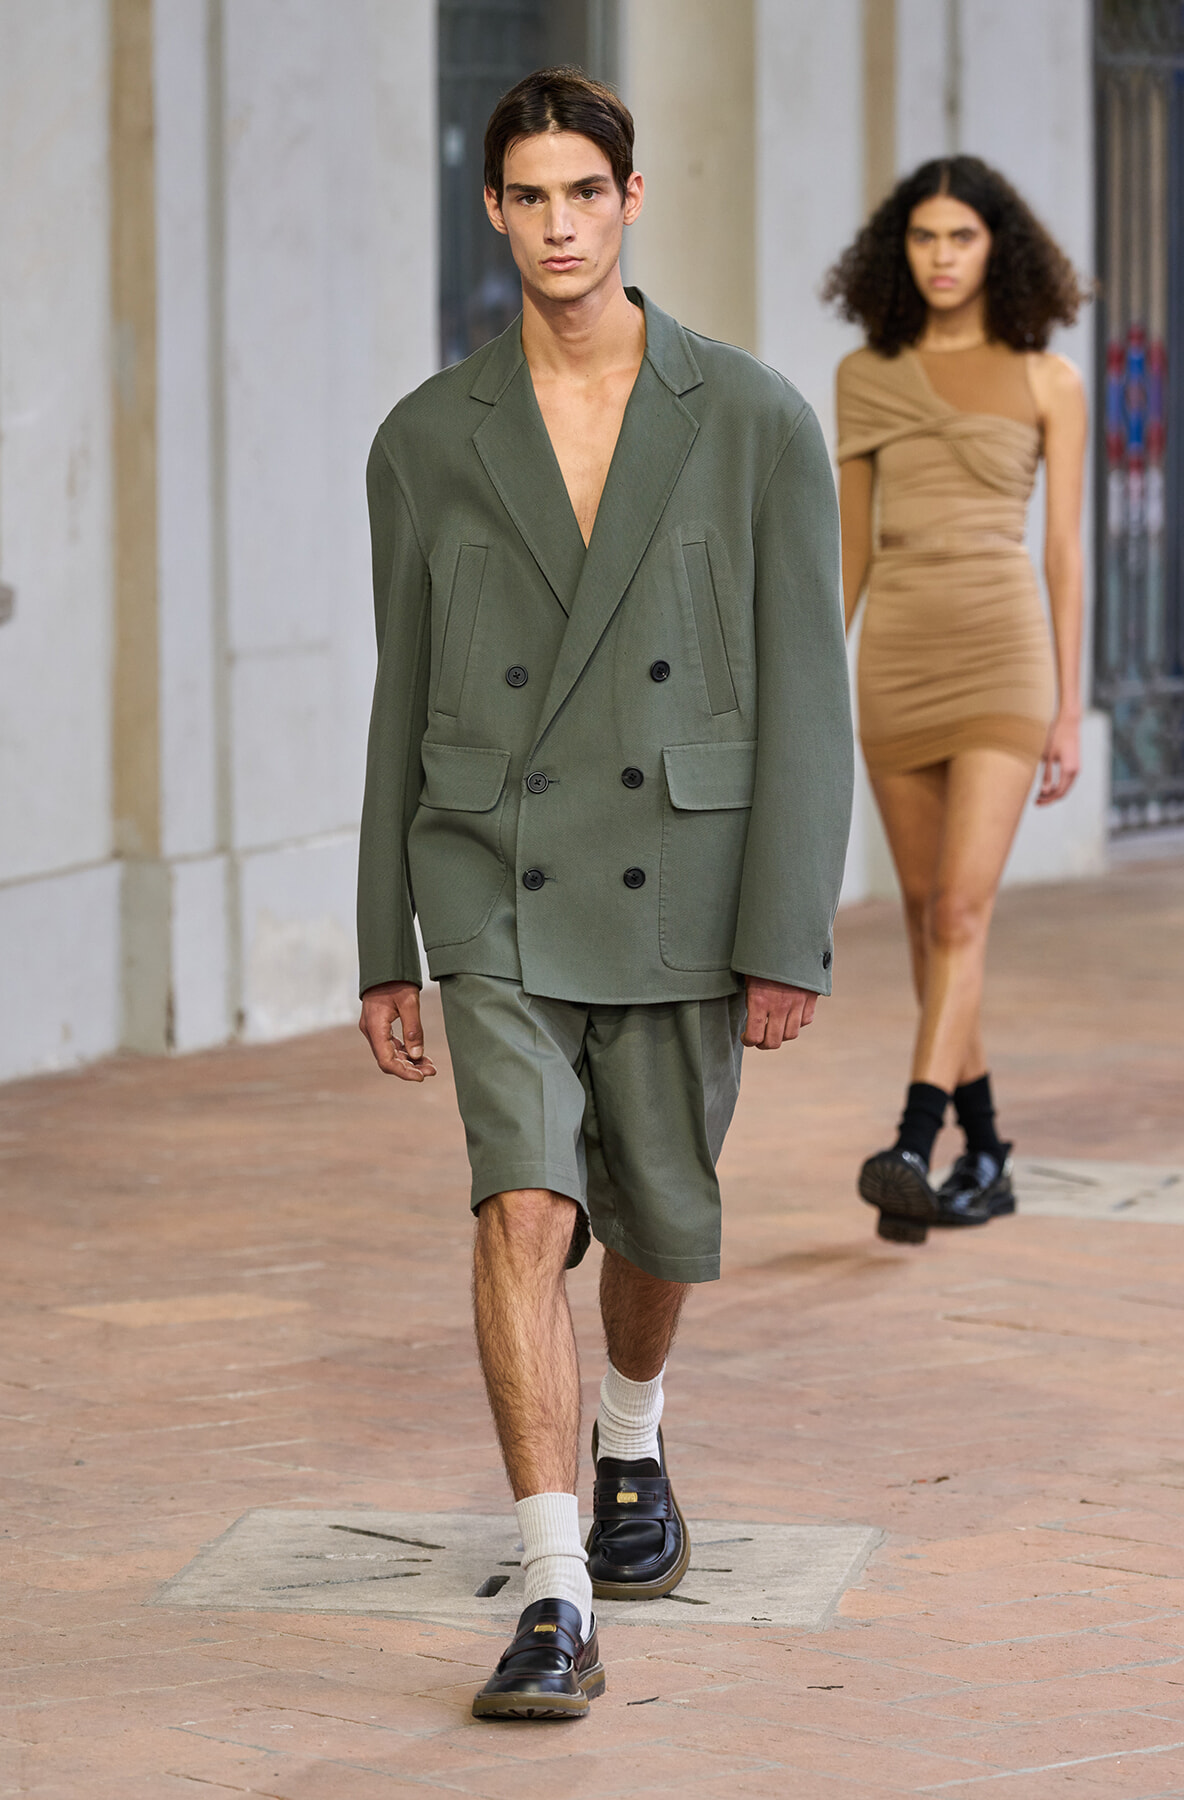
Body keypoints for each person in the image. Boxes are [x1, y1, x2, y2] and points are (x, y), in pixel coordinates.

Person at [356, 67, 852, 1720]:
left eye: (587, 191)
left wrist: (789, 930)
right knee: (523, 1204)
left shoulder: (758, 417)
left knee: (656, 1214)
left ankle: (632, 1431)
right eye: (529, 196)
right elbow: (401, 692)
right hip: (489, 869)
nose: (560, 224)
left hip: (682, 884)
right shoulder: (429, 440)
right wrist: (385, 944)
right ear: (491, 211)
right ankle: (558, 1588)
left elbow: (804, 698)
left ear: (630, 200)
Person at [824, 157, 1088, 1245]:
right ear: (902, 249)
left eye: (961, 238)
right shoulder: (863, 374)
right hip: (896, 661)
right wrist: (798, 686)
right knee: (934, 921)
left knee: (964, 912)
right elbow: (847, 550)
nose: (940, 257)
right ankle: (988, 1153)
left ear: (998, 249)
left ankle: (912, 1142)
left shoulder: (1046, 378)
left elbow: (1065, 553)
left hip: (1002, 659)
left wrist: (1069, 709)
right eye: (924, 238)